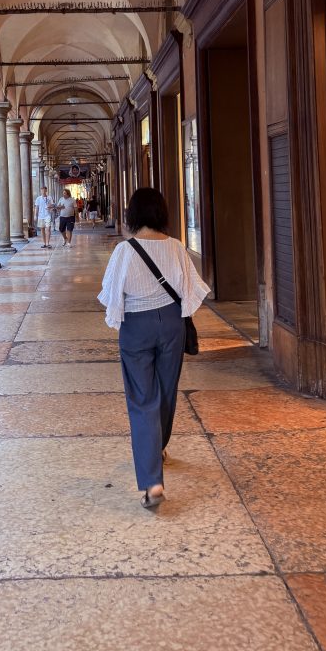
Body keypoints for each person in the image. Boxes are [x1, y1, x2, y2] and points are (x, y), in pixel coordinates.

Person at [98, 187, 209, 510]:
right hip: (172, 324)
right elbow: (192, 291)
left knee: (142, 398)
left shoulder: (124, 251)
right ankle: (157, 447)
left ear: (132, 214)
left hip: (137, 327)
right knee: (166, 390)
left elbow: (110, 295)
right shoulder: (176, 247)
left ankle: (152, 481)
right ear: (162, 213)